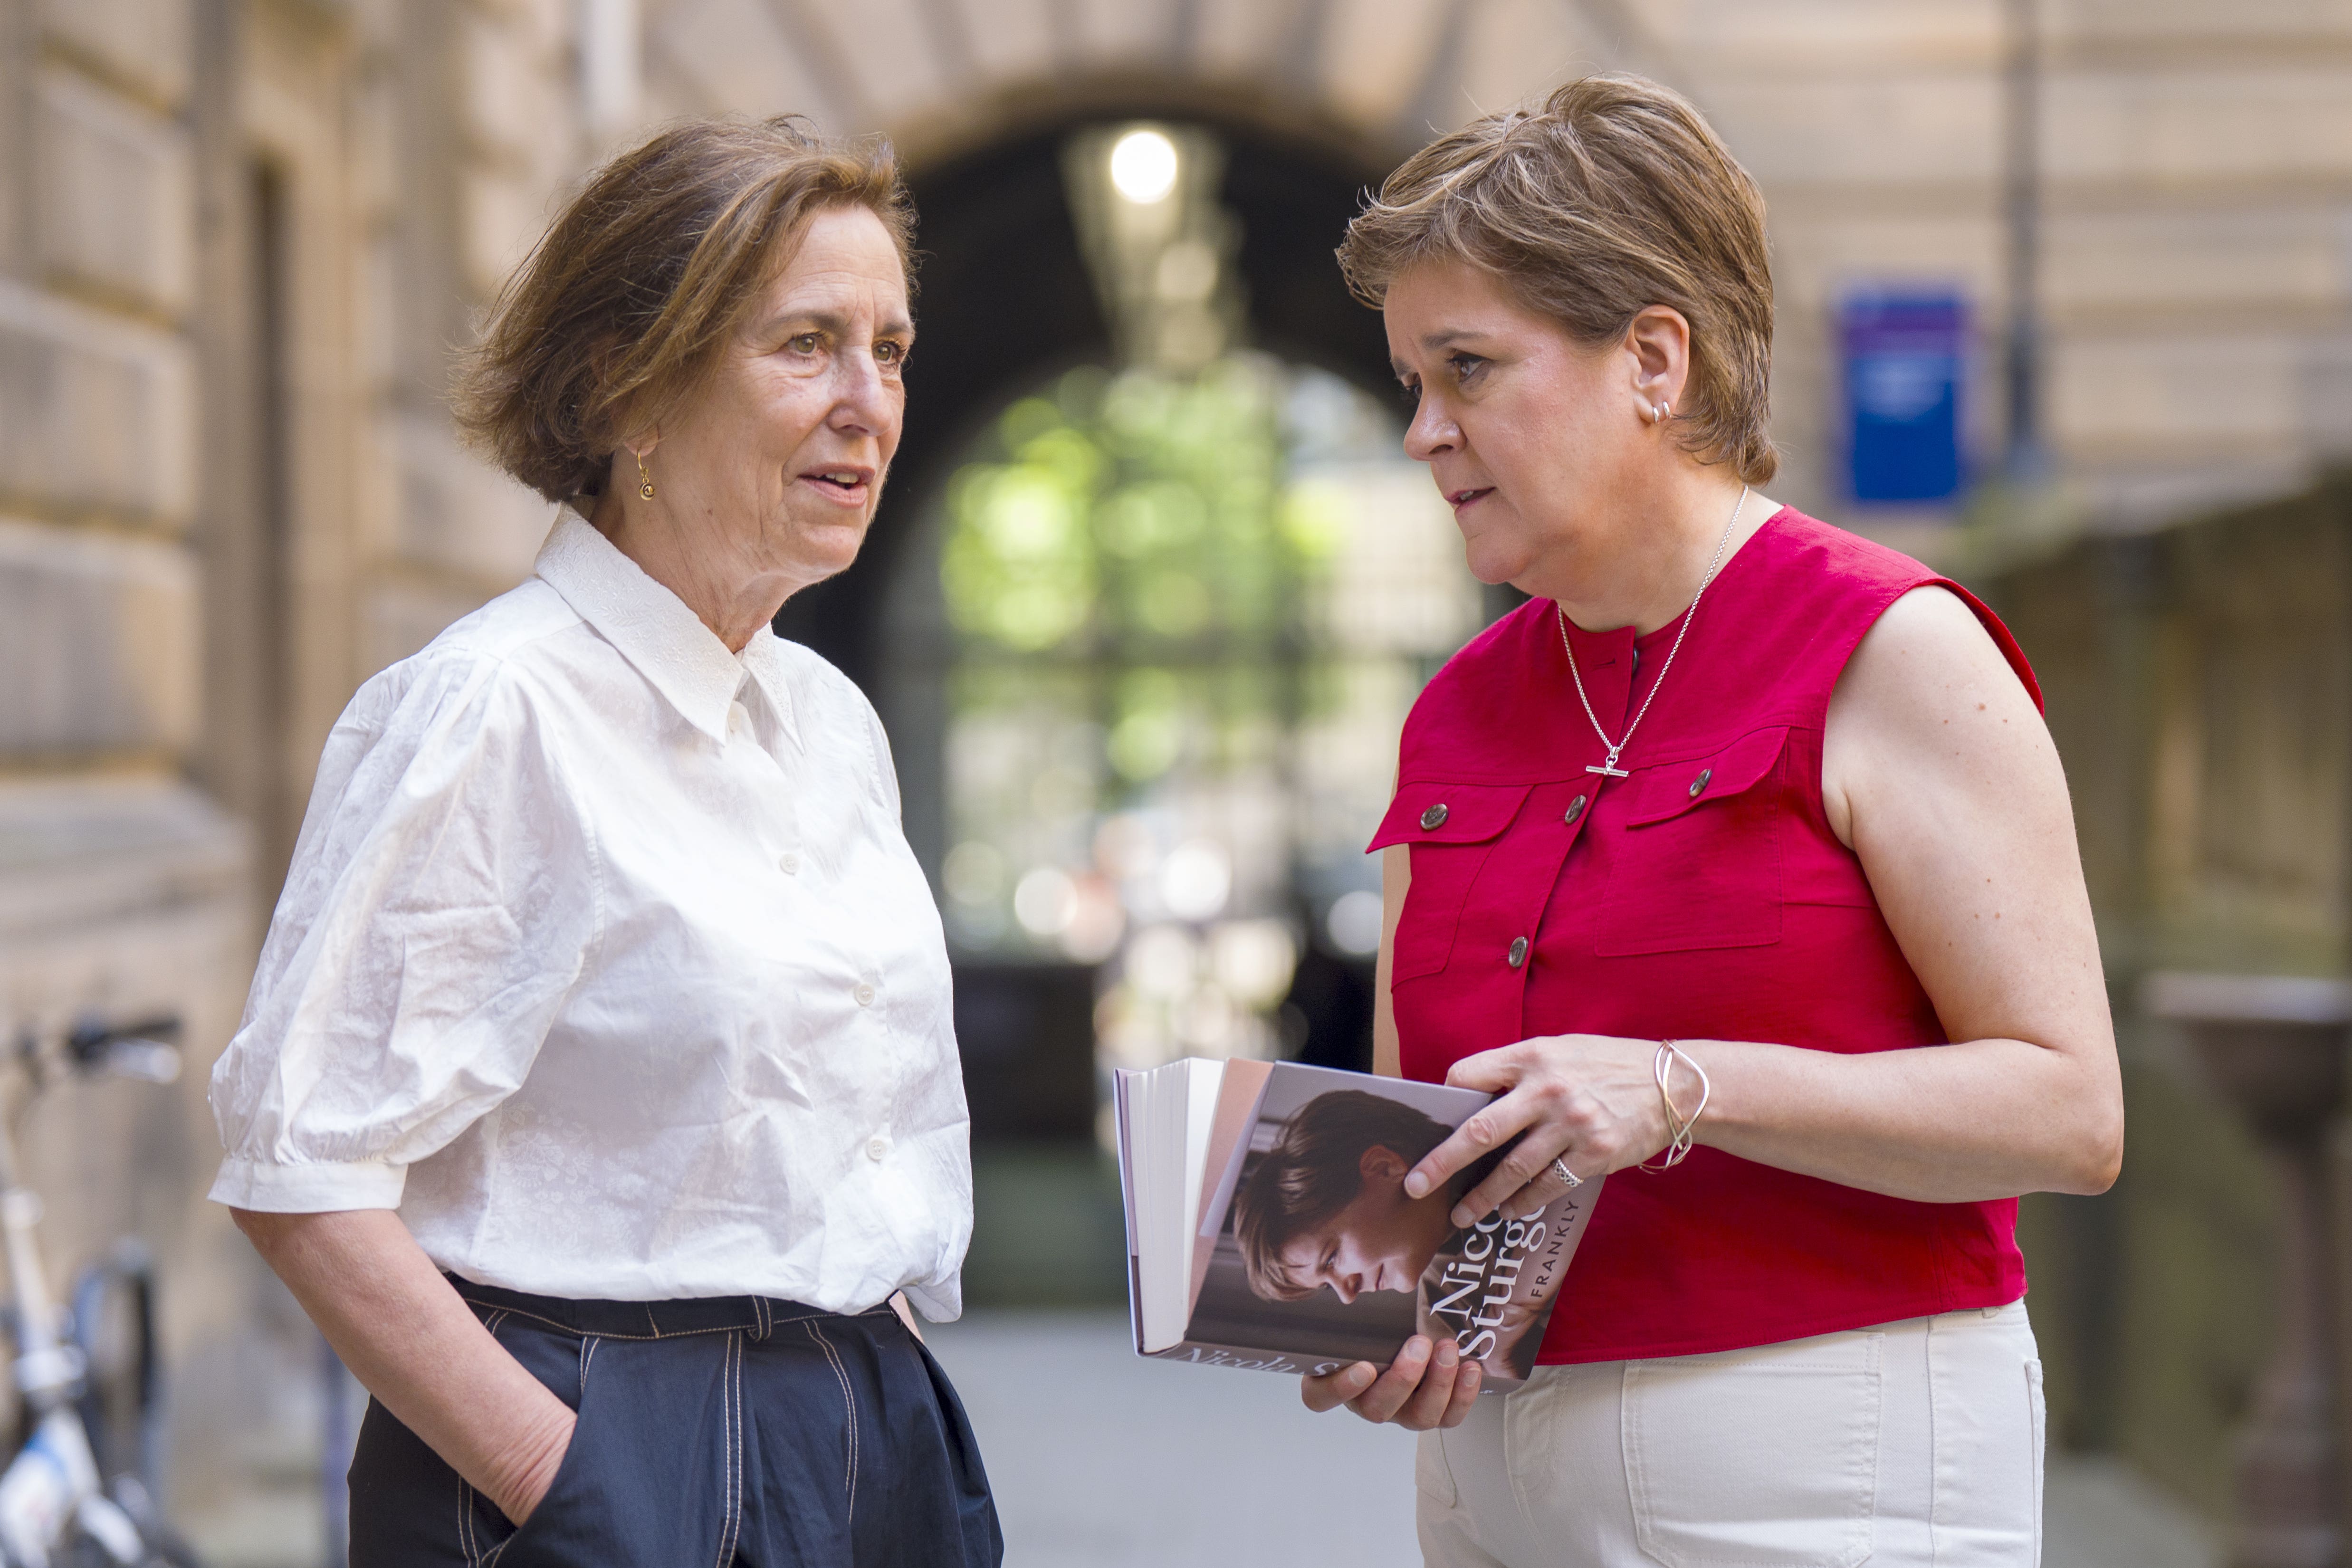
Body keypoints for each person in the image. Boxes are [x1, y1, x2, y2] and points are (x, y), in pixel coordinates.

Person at [1302, 74, 2123, 1568]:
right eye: (1415, 382)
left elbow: (2071, 1110)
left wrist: (1685, 1083)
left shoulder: (1893, 647)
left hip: (1830, 1466)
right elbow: (1424, 1134)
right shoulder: (1459, 711)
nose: (1425, 431)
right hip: (1487, 1479)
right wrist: (1385, 1306)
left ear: (1655, 360)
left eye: (1469, 368)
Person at [207, 118, 1002, 1567]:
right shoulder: (487, 709)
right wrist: (567, 1476)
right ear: (625, 388)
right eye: (807, 344)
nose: (867, 402)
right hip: (603, 1439)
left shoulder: (825, 719)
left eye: (888, 348)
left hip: (869, 1434)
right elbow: (299, 1164)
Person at [1235, 1090, 1551, 1383]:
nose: (1348, 1296)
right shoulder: (1448, 1332)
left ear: (1384, 1169)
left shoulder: (1532, 1116)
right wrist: (1500, 1368)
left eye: (1331, 1259)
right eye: (1327, 1286)